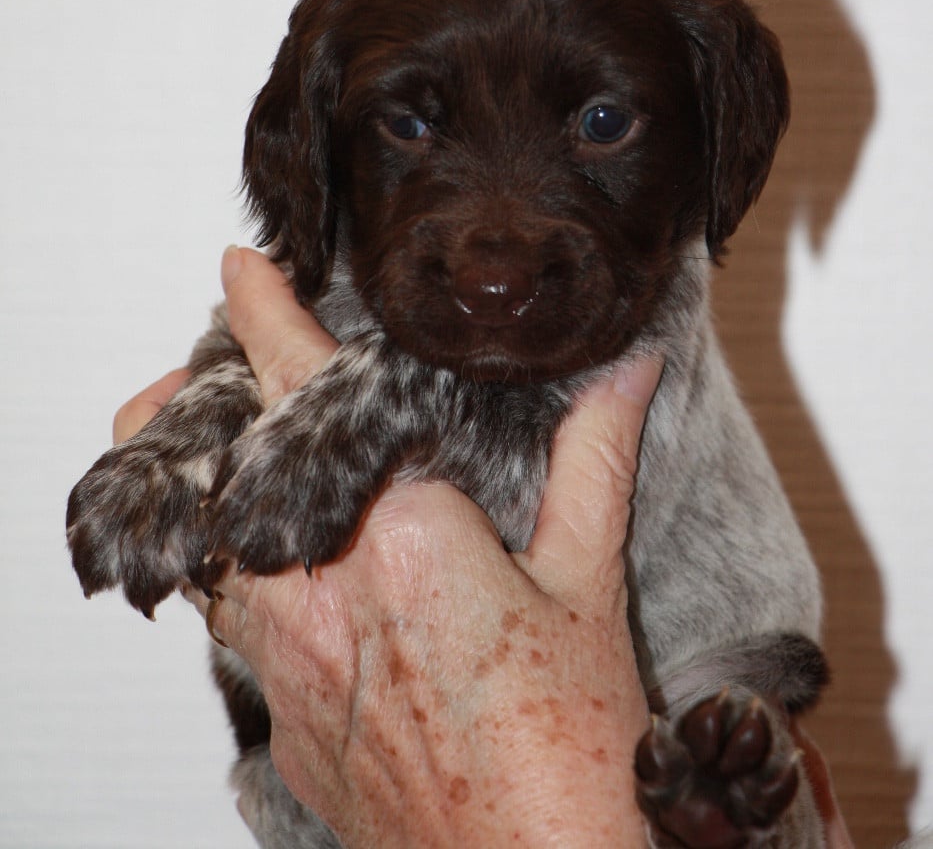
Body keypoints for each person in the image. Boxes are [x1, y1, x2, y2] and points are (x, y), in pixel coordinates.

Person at [114, 247, 852, 848]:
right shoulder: (334, 245)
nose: (495, 268)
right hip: (309, 777)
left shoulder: (643, 279)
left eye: (602, 126)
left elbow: (526, 474)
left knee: (739, 736)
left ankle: (726, 809)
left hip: (707, 668)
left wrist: (372, 406)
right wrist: (199, 428)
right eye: (409, 126)